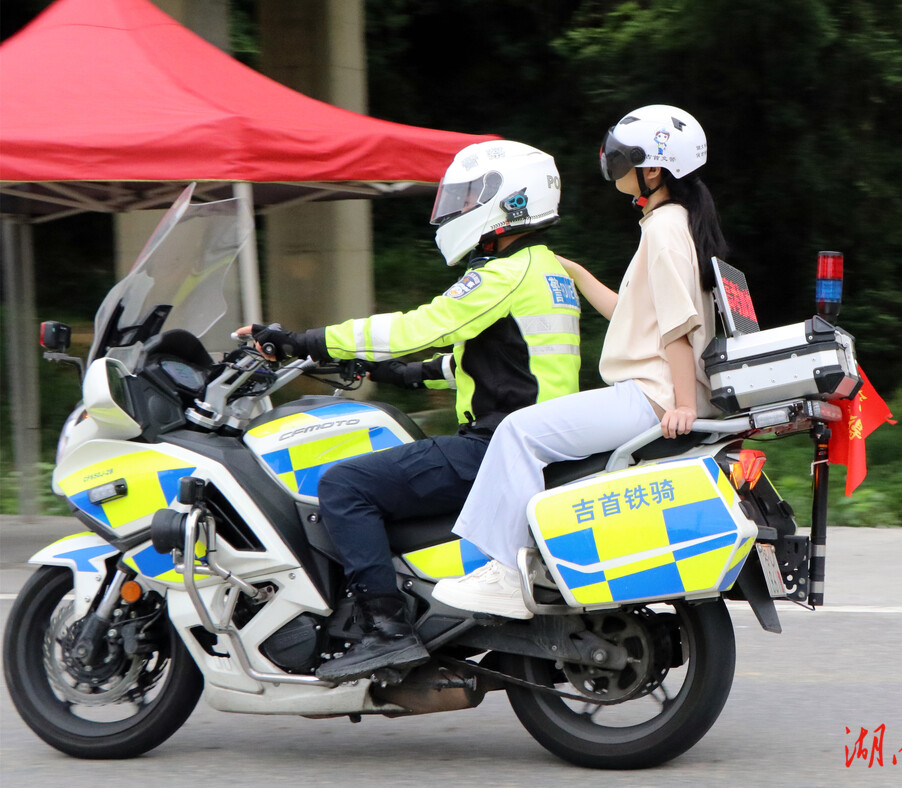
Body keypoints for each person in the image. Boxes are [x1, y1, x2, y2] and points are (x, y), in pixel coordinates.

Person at [238, 140, 581, 681]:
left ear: (509, 199)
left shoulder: (501, 273)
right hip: (531, 437)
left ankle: (386, 630)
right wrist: (396, 373)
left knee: (345, 487)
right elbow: (506, 364)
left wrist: (299, 342)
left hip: (497, 447)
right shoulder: (543, 270)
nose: (457, 207)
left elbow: (415, 327)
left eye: (471, 195)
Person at [433, 105, 728, 619]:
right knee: (529, 437)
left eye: (620, 158)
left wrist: (681, 404)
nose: (611, 166)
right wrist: (574, 272)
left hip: (649, 395)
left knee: (517, 433)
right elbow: (634, 315)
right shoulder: (676, 224)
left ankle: (508, 571)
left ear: (652, 170)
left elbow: (679, 324)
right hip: (653, 390)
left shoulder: (662, 229)